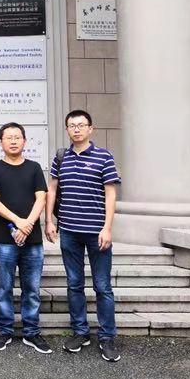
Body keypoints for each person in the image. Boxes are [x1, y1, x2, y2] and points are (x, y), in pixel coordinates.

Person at [46, 109, 121, 362]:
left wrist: (107, 227)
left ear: (90, 128)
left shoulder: (104, 157)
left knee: (102, 286)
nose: (76, 129)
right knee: (74, 283)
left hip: (97, 232)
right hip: (69, 231)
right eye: (72, 125)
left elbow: (110, 194)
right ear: (67, 129)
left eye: (81, 125)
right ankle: (81, 332)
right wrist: (49, 221)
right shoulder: (61, 158)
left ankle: (107, 337)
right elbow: (52, 190)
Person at [0, 122, 51, 354]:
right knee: (4, 288)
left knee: (32, 289)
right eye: (8, 137)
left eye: (17, 137)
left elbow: (41, 198)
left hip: (33, 241)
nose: (13, 141)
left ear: (24, 141)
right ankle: (4, 331)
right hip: (4, 239)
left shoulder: (34, 168)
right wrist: (19, 221)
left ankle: (32, 332)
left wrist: (28, 223)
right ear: (0, 142)